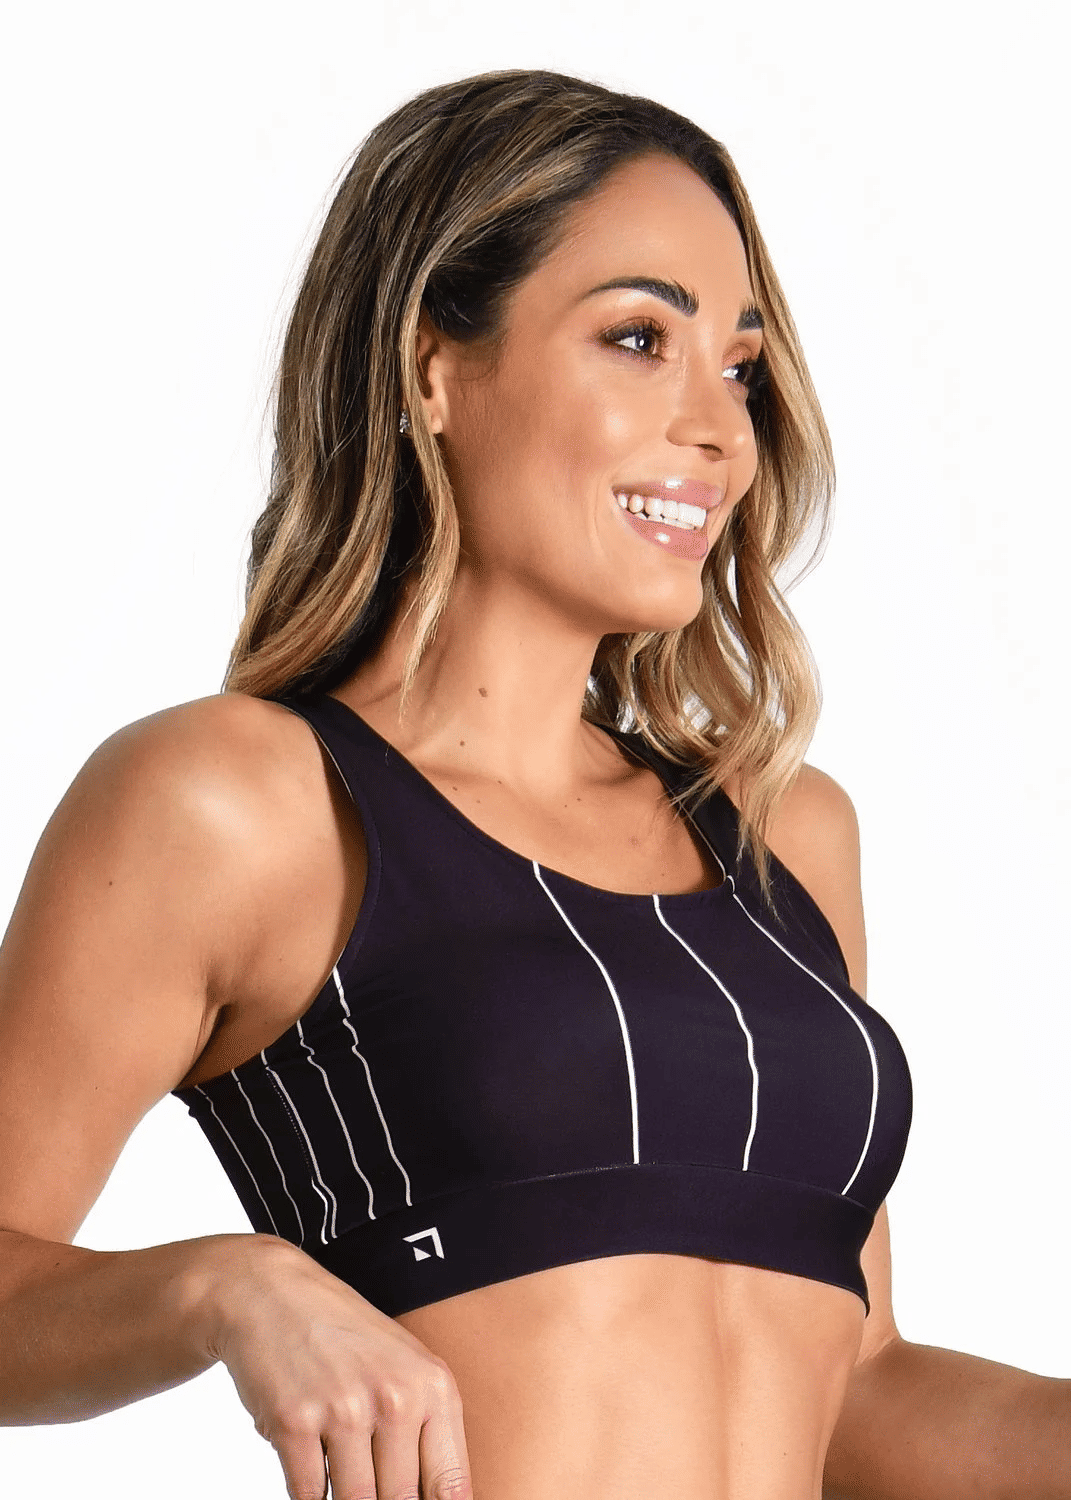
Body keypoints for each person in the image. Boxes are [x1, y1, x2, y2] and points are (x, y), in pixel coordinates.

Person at [0, 67, 1066, 1500]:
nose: (721, 430)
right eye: (639, 339)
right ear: (430, 368)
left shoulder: (783, 838)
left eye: (740, 367)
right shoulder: (236, 801)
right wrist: (226, 1287)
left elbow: (855, 1387)